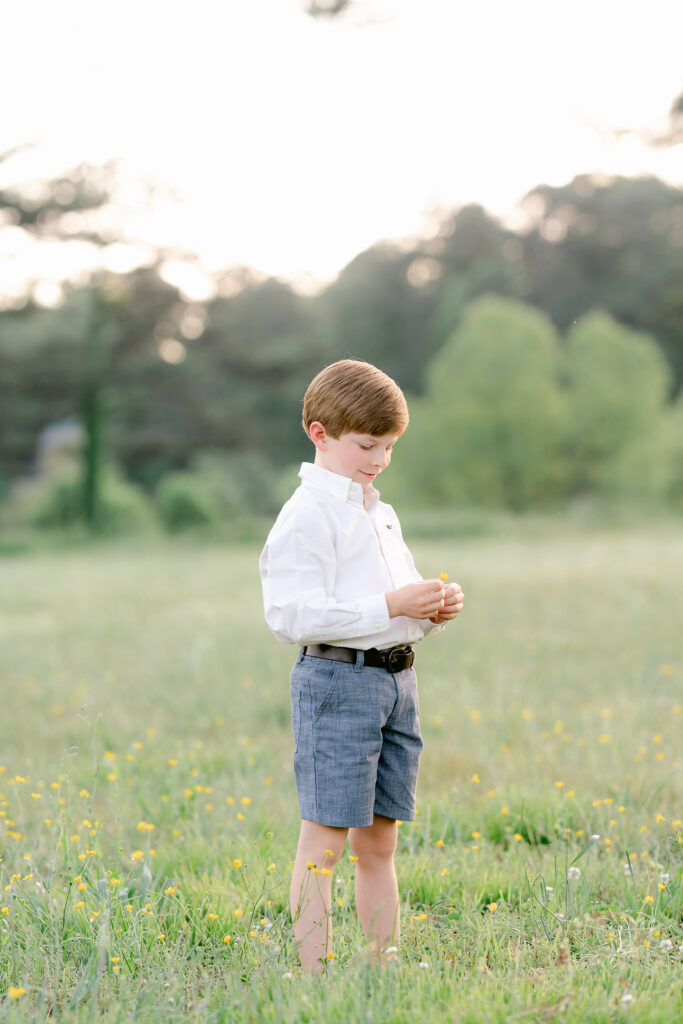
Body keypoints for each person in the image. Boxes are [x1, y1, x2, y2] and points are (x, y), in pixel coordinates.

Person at [259, 359, 464, 973]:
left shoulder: (380, 511)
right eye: (367, 445)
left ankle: (382, 962)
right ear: (320, 434)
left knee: (381, 840)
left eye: (390, 446)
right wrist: (389, 605)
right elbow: (293, 614)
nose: (379, 458)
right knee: (324, 842)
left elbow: (394, 603)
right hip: (336, 682)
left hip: (396, 683)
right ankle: (313, 977)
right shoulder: (307, 515)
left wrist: (429, 611)